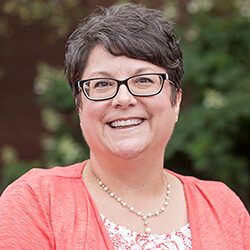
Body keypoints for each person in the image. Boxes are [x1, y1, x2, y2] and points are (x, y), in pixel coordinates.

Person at [0, 3, 249, 249]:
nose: (123, 99)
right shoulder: (35, 202)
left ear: (176, 102)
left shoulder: (223, 208)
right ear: (80, 106)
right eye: (102, 84)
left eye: (143, 80)